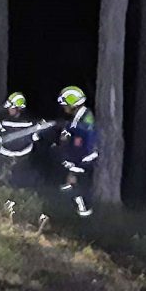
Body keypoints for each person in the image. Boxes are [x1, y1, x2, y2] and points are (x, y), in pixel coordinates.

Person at [54, 86, 98, 217]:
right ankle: (75, 197)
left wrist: (67, 131)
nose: (64, 108)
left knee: (80, 187)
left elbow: (83, 138)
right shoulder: (78, 116)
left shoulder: (86, 116)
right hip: (79, 156)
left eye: (65, 105)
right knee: (72, 180)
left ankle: (84, 212)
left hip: (84, 158)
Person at [0, 92, 40, 186]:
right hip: (6, 154)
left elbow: (35, 136)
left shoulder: (29, 121)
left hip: (23, 155)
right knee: (4, 178)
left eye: (12, 108)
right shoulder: (4, 119)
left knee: (21, 180)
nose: (9, 110)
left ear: (19, 108)